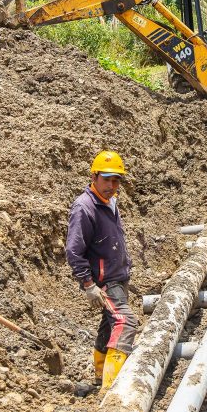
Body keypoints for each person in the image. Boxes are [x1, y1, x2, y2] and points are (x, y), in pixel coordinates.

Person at [65, 150, 138, 389]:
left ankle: (100, 377)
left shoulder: (109, 202)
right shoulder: (84, 208)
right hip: (105, 283)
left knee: (109, 325)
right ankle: (111, 388)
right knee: (125, 322)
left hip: (118, 277)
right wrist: (88, 284)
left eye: (116, 180)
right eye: (106, 179)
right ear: (94, 176)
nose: (111, 185)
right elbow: (73, 251)